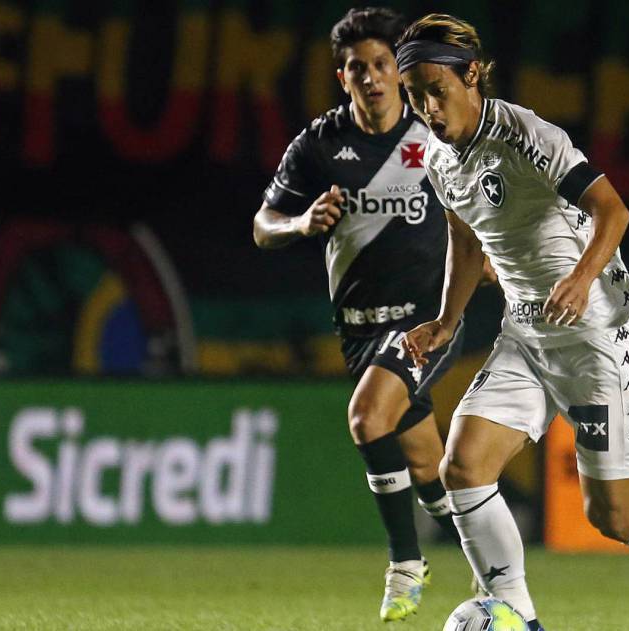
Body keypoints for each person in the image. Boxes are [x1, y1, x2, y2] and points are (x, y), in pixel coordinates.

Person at [396, 13, 629, 631]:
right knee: (463, 467)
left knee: (615, 517)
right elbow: (465, 235)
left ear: (472, 76)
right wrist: (447, 320)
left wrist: (581, 276)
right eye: (416, 94)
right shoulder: (435, 155)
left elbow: (612, 211)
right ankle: (519, 615)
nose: (428, 107)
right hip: (526, 335)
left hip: (597, 336)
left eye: (438, 89)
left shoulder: (527, 135)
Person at [252, 7, 469, 622]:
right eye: (357, 68)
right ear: (340, 76)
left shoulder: (434, 138)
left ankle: (406, 564)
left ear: (399, 72)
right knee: (430, 465)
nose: (371, 77)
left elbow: (481, 208)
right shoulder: (320, 145)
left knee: (368, 420)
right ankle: (483, 543)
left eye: (381, 65)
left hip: (427, 321)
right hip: (360, 331)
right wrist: (299, 222)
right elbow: (262, 227)